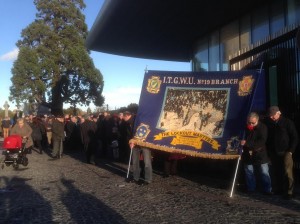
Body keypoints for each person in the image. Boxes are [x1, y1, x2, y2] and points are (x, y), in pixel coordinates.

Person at [265, 106, 298, 199]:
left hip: (286, 151)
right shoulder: (269, 123)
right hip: (274, 151)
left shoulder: (287, 122)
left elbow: (294, 137)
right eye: (270, 116)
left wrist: (291, 150)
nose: (271, 117)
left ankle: (289, 192)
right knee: (277, 171)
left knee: (287, 172)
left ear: (279, 113)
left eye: (273, 115)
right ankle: (279, 189)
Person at [241, 112, 272, 195]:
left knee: (264, 171)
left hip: (260, 152)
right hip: (248, 153)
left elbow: (262, 141)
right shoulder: (245, 127)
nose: (250, 124)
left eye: (253, 123)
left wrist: (247, 143)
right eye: (249, 122)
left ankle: (267, 189)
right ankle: (251, 188)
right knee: (249, 171)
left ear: (257, 120)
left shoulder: (263, 128)